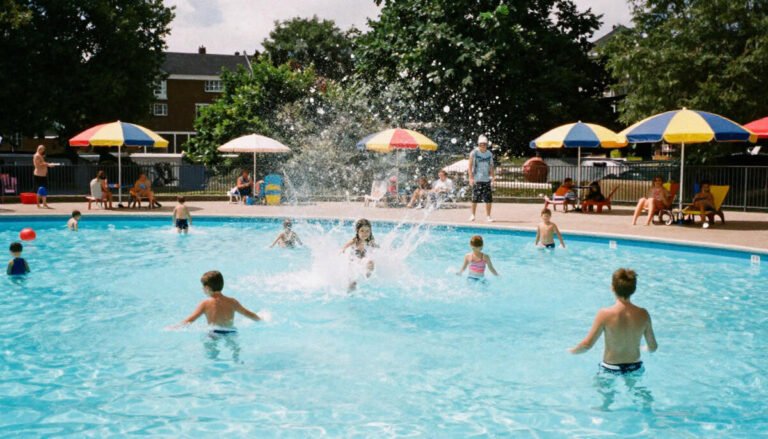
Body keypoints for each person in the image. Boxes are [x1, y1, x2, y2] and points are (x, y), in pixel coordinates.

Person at [569, 268, 658, 375]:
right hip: (635, 367)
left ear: (612, 288)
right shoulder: (643, 314)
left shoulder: (605, 314)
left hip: (610, 368)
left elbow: (587, 345)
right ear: (634, 289)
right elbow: (653, 347)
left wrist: (570, 351)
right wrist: (645, 348)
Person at [173, 271, 263, 334]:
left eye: (203, 287)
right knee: (235, 350)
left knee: (212, 353)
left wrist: (175, 327)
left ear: (207, 288)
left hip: (214, 333)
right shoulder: (232, 302)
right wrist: (261, 320)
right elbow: (248, 314)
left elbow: (190, 320)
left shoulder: (205, 303)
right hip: (231, 332)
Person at [341, 218, 378, 289]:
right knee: (353, 282)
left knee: (371, 263)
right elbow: (345, 247)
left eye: (367, 231)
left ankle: (367, 276)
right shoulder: (355, 240)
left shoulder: (370, 241)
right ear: (357, 231)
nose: (365, 233)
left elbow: (375, 247)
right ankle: (350, 292)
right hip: (354, 260)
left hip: (363, 259)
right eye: (362, 231)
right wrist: (342, 251)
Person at [468, 134, 495, 222]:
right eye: (481, 144)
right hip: (477, 179)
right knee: (474, 199)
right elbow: (470, 166)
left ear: (487, 145)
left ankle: (488, 216)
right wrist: (471, 178)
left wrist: (493, 177)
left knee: (488, 199)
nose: (483, 146)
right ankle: (472, 215)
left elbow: (491, 166)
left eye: (484, 144)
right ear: (478, 145)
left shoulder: (489, 154)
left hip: (486, 179)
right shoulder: (474, 152)